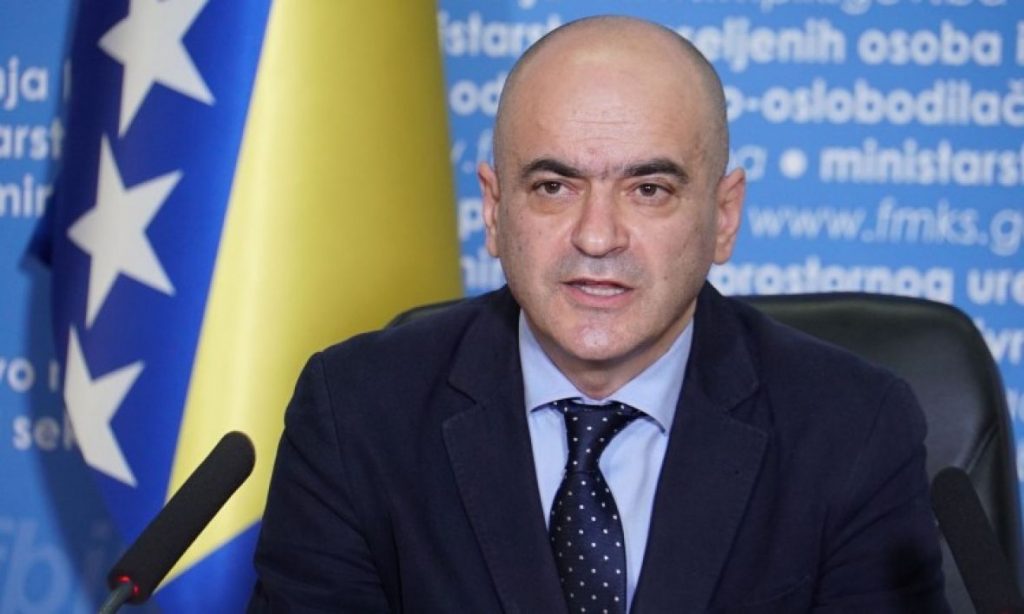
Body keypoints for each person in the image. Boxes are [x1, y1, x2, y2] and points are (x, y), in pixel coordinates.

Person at [249, 15, 948, 613]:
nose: (597, 236)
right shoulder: (357, 414)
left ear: (724, 216)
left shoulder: (852, 429)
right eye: (554, 186)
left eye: (649, 190)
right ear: (494, 210)